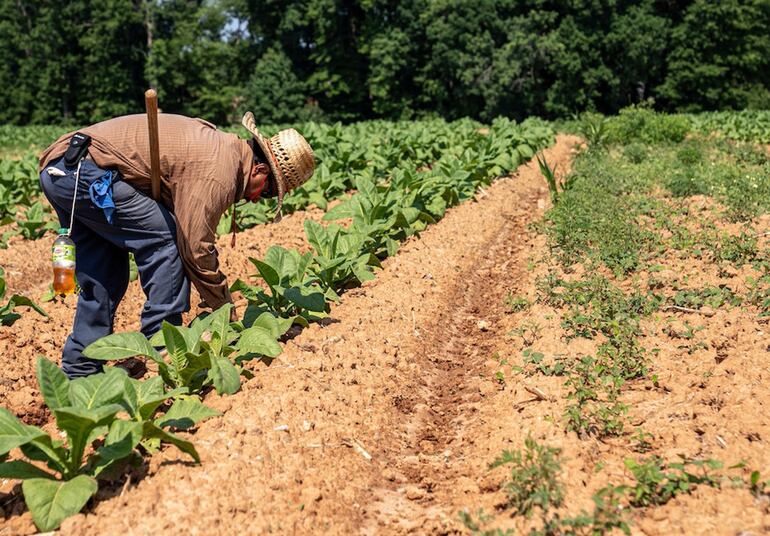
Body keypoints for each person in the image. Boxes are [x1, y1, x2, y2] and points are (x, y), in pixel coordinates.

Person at [38, 112, 314, 378]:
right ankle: (162, 347)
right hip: (85, 172)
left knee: (105, 272)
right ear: (259, 169)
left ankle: (80, 370)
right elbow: (195, 248)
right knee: (167, 239)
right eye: (267, 191)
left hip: (63, 169)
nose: (257, 199)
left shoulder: (225, 149)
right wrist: (223, 309)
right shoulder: (220, 172)